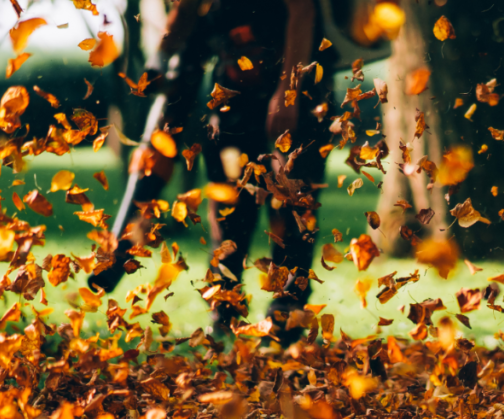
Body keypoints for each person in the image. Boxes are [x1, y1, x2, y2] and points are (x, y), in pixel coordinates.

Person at [88, 0, 336, 341]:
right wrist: (160, 59)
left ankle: (286, 314)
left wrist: (289, 93)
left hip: (297, 81)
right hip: (235, 89)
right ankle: (224, 308)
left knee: (291, 199)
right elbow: (186, 10)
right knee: (229, 203)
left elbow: (303, 10)